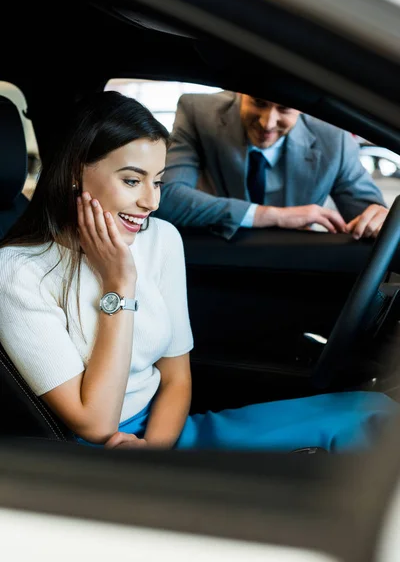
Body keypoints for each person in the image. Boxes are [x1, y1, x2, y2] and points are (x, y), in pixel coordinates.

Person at [0, 91, 396, 452]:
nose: (150, 202)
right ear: (74, 172)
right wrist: (119, 284)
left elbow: (176, 377)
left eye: (157, 182)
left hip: (165, 432)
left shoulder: (162, 238)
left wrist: (158, 449)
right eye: (132, 180)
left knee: (370, 411)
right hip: (96, 450)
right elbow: (97, 423)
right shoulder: (17, 273)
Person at [155, 92, 388, 240]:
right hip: (218, 256)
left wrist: (378, 217)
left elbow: (370, 217)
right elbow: (165, 197)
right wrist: (276, 216)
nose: (268, 123)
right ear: (239, 91)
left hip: (295, 268)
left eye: (284, 108)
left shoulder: (335, 140)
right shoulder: (198, 112)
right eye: (259, 102)